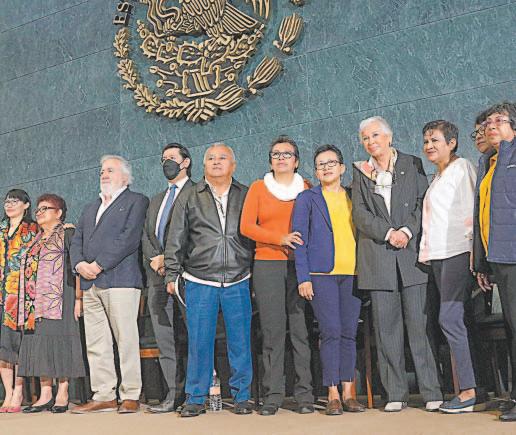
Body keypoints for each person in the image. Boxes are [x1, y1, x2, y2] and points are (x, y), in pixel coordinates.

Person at [352, 116, 442, 412]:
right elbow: (360, 214)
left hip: (411, 257)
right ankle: (395, 393)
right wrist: (388, 233)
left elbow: (422, 202)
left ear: (389, 137)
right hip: (378, 259)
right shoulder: (360, 171)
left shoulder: (412, 163)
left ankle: (431, 390)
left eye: (375, 135)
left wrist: (406, 231)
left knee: (420, 326)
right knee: (386, 330)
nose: (371, 142)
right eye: (366, 138)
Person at [165, 144, 254, 417]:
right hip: (199, 279)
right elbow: (176, 237)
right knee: (199, 342)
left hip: (238, 278)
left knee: (240, 342)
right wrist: (171, 273)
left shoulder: (246, 194)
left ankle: (242, 396)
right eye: (211, 158)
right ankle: (195, 397)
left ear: (233, 165)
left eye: (223, 158)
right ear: (203, 166)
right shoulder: (189, 195)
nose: (216, 162)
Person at [70, 155, 149, 414]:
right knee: (96, 342)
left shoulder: (136, 201)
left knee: (126, 339)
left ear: (125, 177)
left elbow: (129, 239)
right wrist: (79, 265)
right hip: (90, 283)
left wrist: (99, 264)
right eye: (102, 171)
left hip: (121, 280)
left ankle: (131, 394)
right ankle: (103, 395)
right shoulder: (90, 207)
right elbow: (77, 239)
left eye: (110, 170)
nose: (104, 174)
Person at [240, 136, 313, 416]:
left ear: (296, 161)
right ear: (270, 161)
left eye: (287, 154)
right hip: (267, 265)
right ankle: (273, 395)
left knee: (300, 330)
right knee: (272, 331)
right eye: (276, 154)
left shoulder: (306, 188)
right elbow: (247, 226)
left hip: (300, 267)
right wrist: (279, 238)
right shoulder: (258, 188)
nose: (281, 158)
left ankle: (305, 394)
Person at [293, 144, 365, 415]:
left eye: (331, 163)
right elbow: (299, 240)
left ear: (342, 168)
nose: (326, 168)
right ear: (315, 171)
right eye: (321, 164)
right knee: (331, 331)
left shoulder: (354, 196)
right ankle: (332, 392)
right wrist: (303, 277)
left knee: (349, 332)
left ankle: (349, 392)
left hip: (353, 274)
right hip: (321, 275)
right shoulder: (307, 198)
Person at [418, 120, 482, 413]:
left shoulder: (462, 168)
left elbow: (471, 211)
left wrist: (474, 254)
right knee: (454, 320)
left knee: (450, 318)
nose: (429, 146)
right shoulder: (437, 176)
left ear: (452, 142)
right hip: (439, 255)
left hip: (459, 251)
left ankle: (467, 391)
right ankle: (473, 387)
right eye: (426, 141)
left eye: (435, 140)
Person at [17, 194, 86, 413]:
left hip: (62, 297)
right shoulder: (35, 240)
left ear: (59, 212)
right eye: (37, 209)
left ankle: (63, 392)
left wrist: (79, 298)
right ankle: (45, 393)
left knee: (61, 341)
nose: (39, 213)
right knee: (40, 344)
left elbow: (77, 267)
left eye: (45, 208)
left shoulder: (68, 233)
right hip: (35, 303)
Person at [141, 143, 194, 413]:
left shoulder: (197, 192)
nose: (167, 163)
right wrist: (156, 258)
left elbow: (198, 233)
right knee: (165, 339)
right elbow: (146, 236)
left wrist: (170, 259)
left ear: (186, 162)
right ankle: (172, 395)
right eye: (163, 159)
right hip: (157, 278)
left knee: (194, 337)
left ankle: (195, 394)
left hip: (187, 275)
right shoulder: (156, 200)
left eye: (172, 158)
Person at [472, 102, 516, 422]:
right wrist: (482, 262)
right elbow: (482, 214)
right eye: (488, 123)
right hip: (499, 256)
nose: (491, 127)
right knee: (512, 327)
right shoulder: (489, 161)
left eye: (499, 121)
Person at [0, 189, 38, 413]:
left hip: (22, 296)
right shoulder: (1, 229)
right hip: (1, 295)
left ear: (26, 205)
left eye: (15, 201)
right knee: (3, 347)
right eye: (7, 201)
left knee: (20, 345)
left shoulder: (33, 229)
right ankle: (8, 392)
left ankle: (19, 391)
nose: (9, 204)